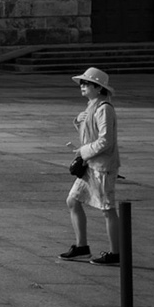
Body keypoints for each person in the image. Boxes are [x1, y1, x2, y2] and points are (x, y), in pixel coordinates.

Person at [59, 66, 122, 265]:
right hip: (90, 164)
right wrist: (79, 121)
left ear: (98, 88)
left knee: (107, 208)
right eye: (82, 83)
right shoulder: (92, 107)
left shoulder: (104, 109)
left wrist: (83, 151)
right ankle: (82, 247)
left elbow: (106, 140)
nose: (82, 86)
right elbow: (89, 131)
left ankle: (115, 252)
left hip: (101, 166)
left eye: (86, 83)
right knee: (73, 200)